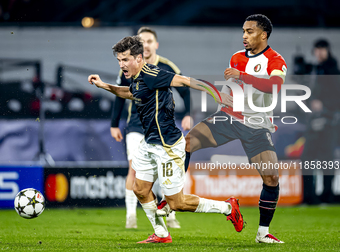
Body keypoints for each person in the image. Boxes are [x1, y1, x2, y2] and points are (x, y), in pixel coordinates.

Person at [88, 35, 244, 244]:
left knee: (176, 203)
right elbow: (129, 93)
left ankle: (227, 207)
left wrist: (216, 94)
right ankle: (161, 234)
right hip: (148, 143)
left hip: (168, 146)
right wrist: (103, 85)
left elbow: (187, 81)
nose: (121, 64)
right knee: (140, 189)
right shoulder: (136, 79)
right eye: (118, 60)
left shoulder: (153, 74)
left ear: (139, 58)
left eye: (125, 59)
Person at [162, 14, 286, 244]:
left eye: (249, 31)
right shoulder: (237, 57)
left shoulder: (275, 60)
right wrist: (225, 97)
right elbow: (231, 86)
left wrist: (243, 76)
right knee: (186, 143)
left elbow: (275, 87)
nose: (244, 36)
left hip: (256, 125)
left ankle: (262, 233)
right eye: (243, 31)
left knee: (271, 178)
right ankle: (172, 199)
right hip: (228, 118)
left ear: (263, 34)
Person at [110, 27, 191, 229]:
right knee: (133, 168)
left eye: (148, 41)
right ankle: (131, 216)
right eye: (142, 41)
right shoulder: (127, 67)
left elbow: (184, 89)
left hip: (161, 129)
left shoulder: (165, 66)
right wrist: (114, 124)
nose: (145, 44)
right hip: (136, 126)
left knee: (166, 173)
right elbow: (121, 95)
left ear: (155, 44)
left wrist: (188, 113)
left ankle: (169, 212)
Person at [300, 39, 340, 204]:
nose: (319, 52)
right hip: (314, 122)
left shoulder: (333, 71)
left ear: (327, 50)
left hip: (329, 122)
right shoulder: (315, 71)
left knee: (326, 160)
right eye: (317, 49)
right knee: (308, 159)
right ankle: (309, 196)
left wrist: (324, 105)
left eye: (322, 49)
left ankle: (327, 195)